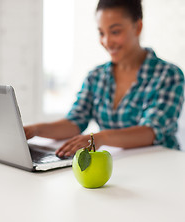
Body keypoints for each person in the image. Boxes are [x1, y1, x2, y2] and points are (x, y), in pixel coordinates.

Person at [24, 0, 184, 157]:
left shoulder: (168, 75)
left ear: (138, 27)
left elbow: (151, 131)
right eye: (101, 33)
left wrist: (101, 137)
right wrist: (34, 130)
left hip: (162, 165)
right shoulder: (96, 77)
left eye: (115, 32)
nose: (107, 41)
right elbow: (74, 122)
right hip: (115, 166)